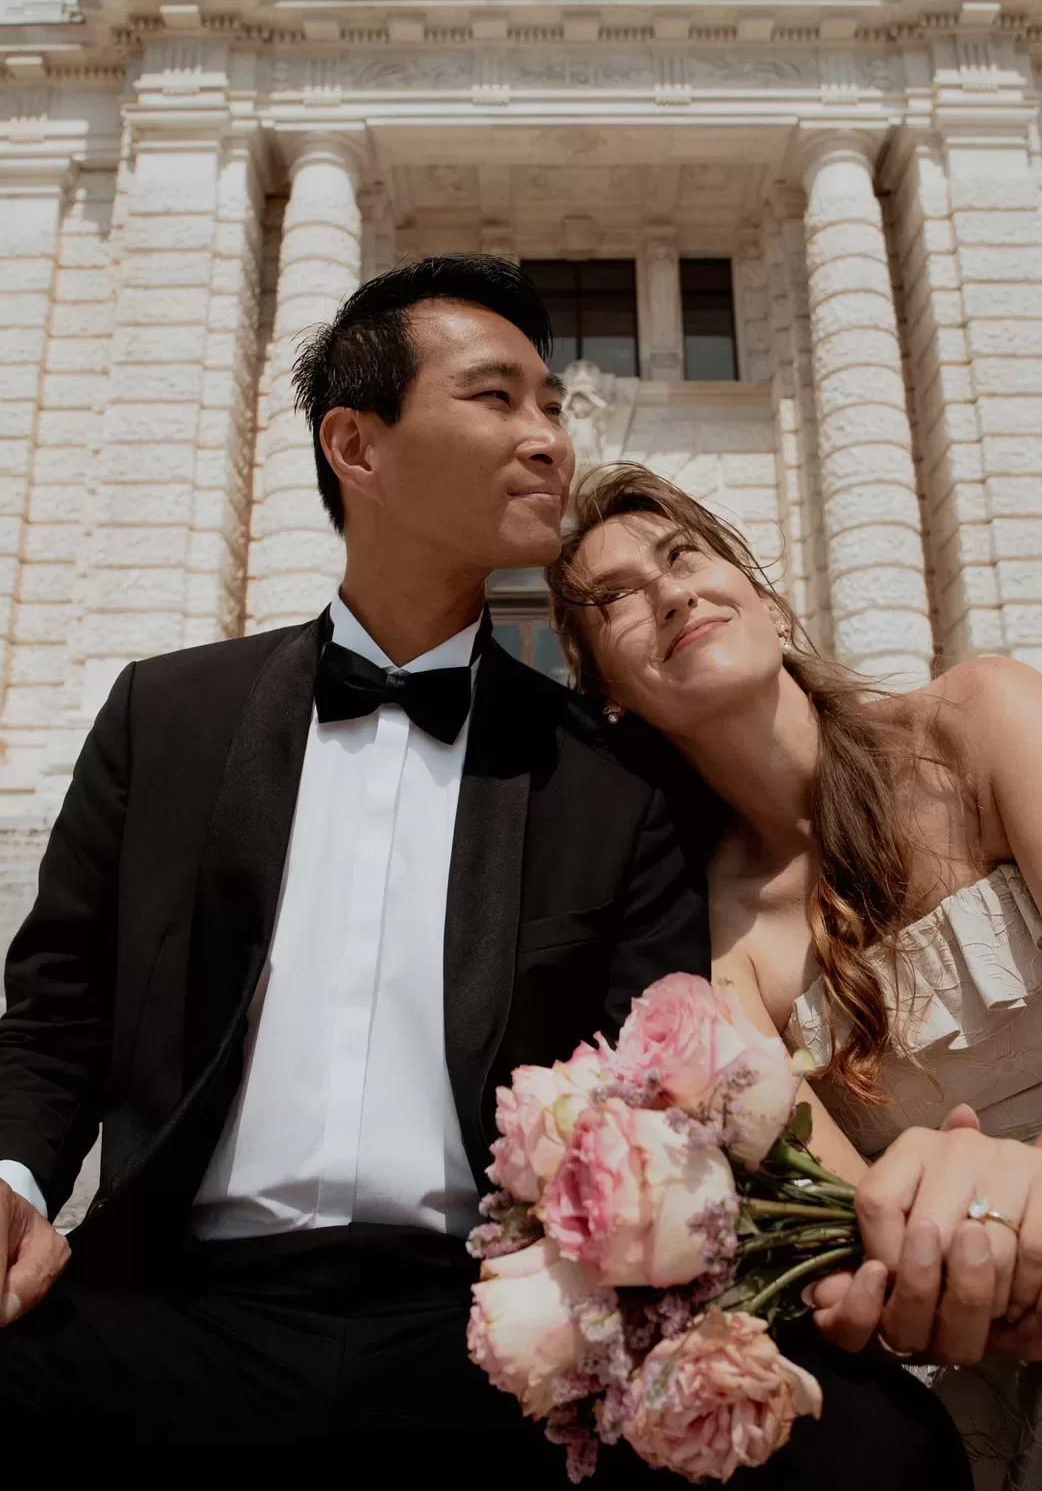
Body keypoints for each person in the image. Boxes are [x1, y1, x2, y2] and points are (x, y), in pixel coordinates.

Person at [0, 258, 968, 1485]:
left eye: (552, 406)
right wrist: (12, 1179)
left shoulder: (607, 781)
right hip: (172, 1304)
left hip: (490, 1329)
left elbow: (655, 1085)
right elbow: (57, 1017)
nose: (548, 439)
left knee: (878, 1447)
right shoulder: (166, 716)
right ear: (356, 443)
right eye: (497, 398)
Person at [548, 460, 1042, 1489]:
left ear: (759, 595)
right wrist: (971, 1270)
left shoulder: (977, 722)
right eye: (614, 601)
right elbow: (864, 1226)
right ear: (612, 697)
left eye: (682, 556)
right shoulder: (713, 959)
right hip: (996, 1336)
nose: (669, 592)